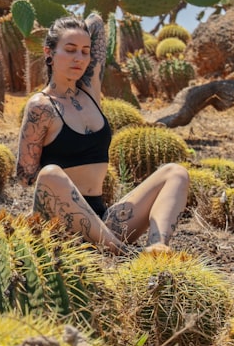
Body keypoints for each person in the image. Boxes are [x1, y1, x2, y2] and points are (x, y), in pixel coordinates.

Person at [14, 14, 189, 255]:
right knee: (51, 173)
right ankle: (123, 253)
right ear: (49, 53)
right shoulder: (41, 106)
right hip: (59, 222)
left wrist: (75, 29)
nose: (79, 58)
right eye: (70, 49)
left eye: (85, 51)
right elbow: (25, 176)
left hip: (100, 218)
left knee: (176, 172)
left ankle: (156, 249)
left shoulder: (89, 91)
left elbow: (96, 23)